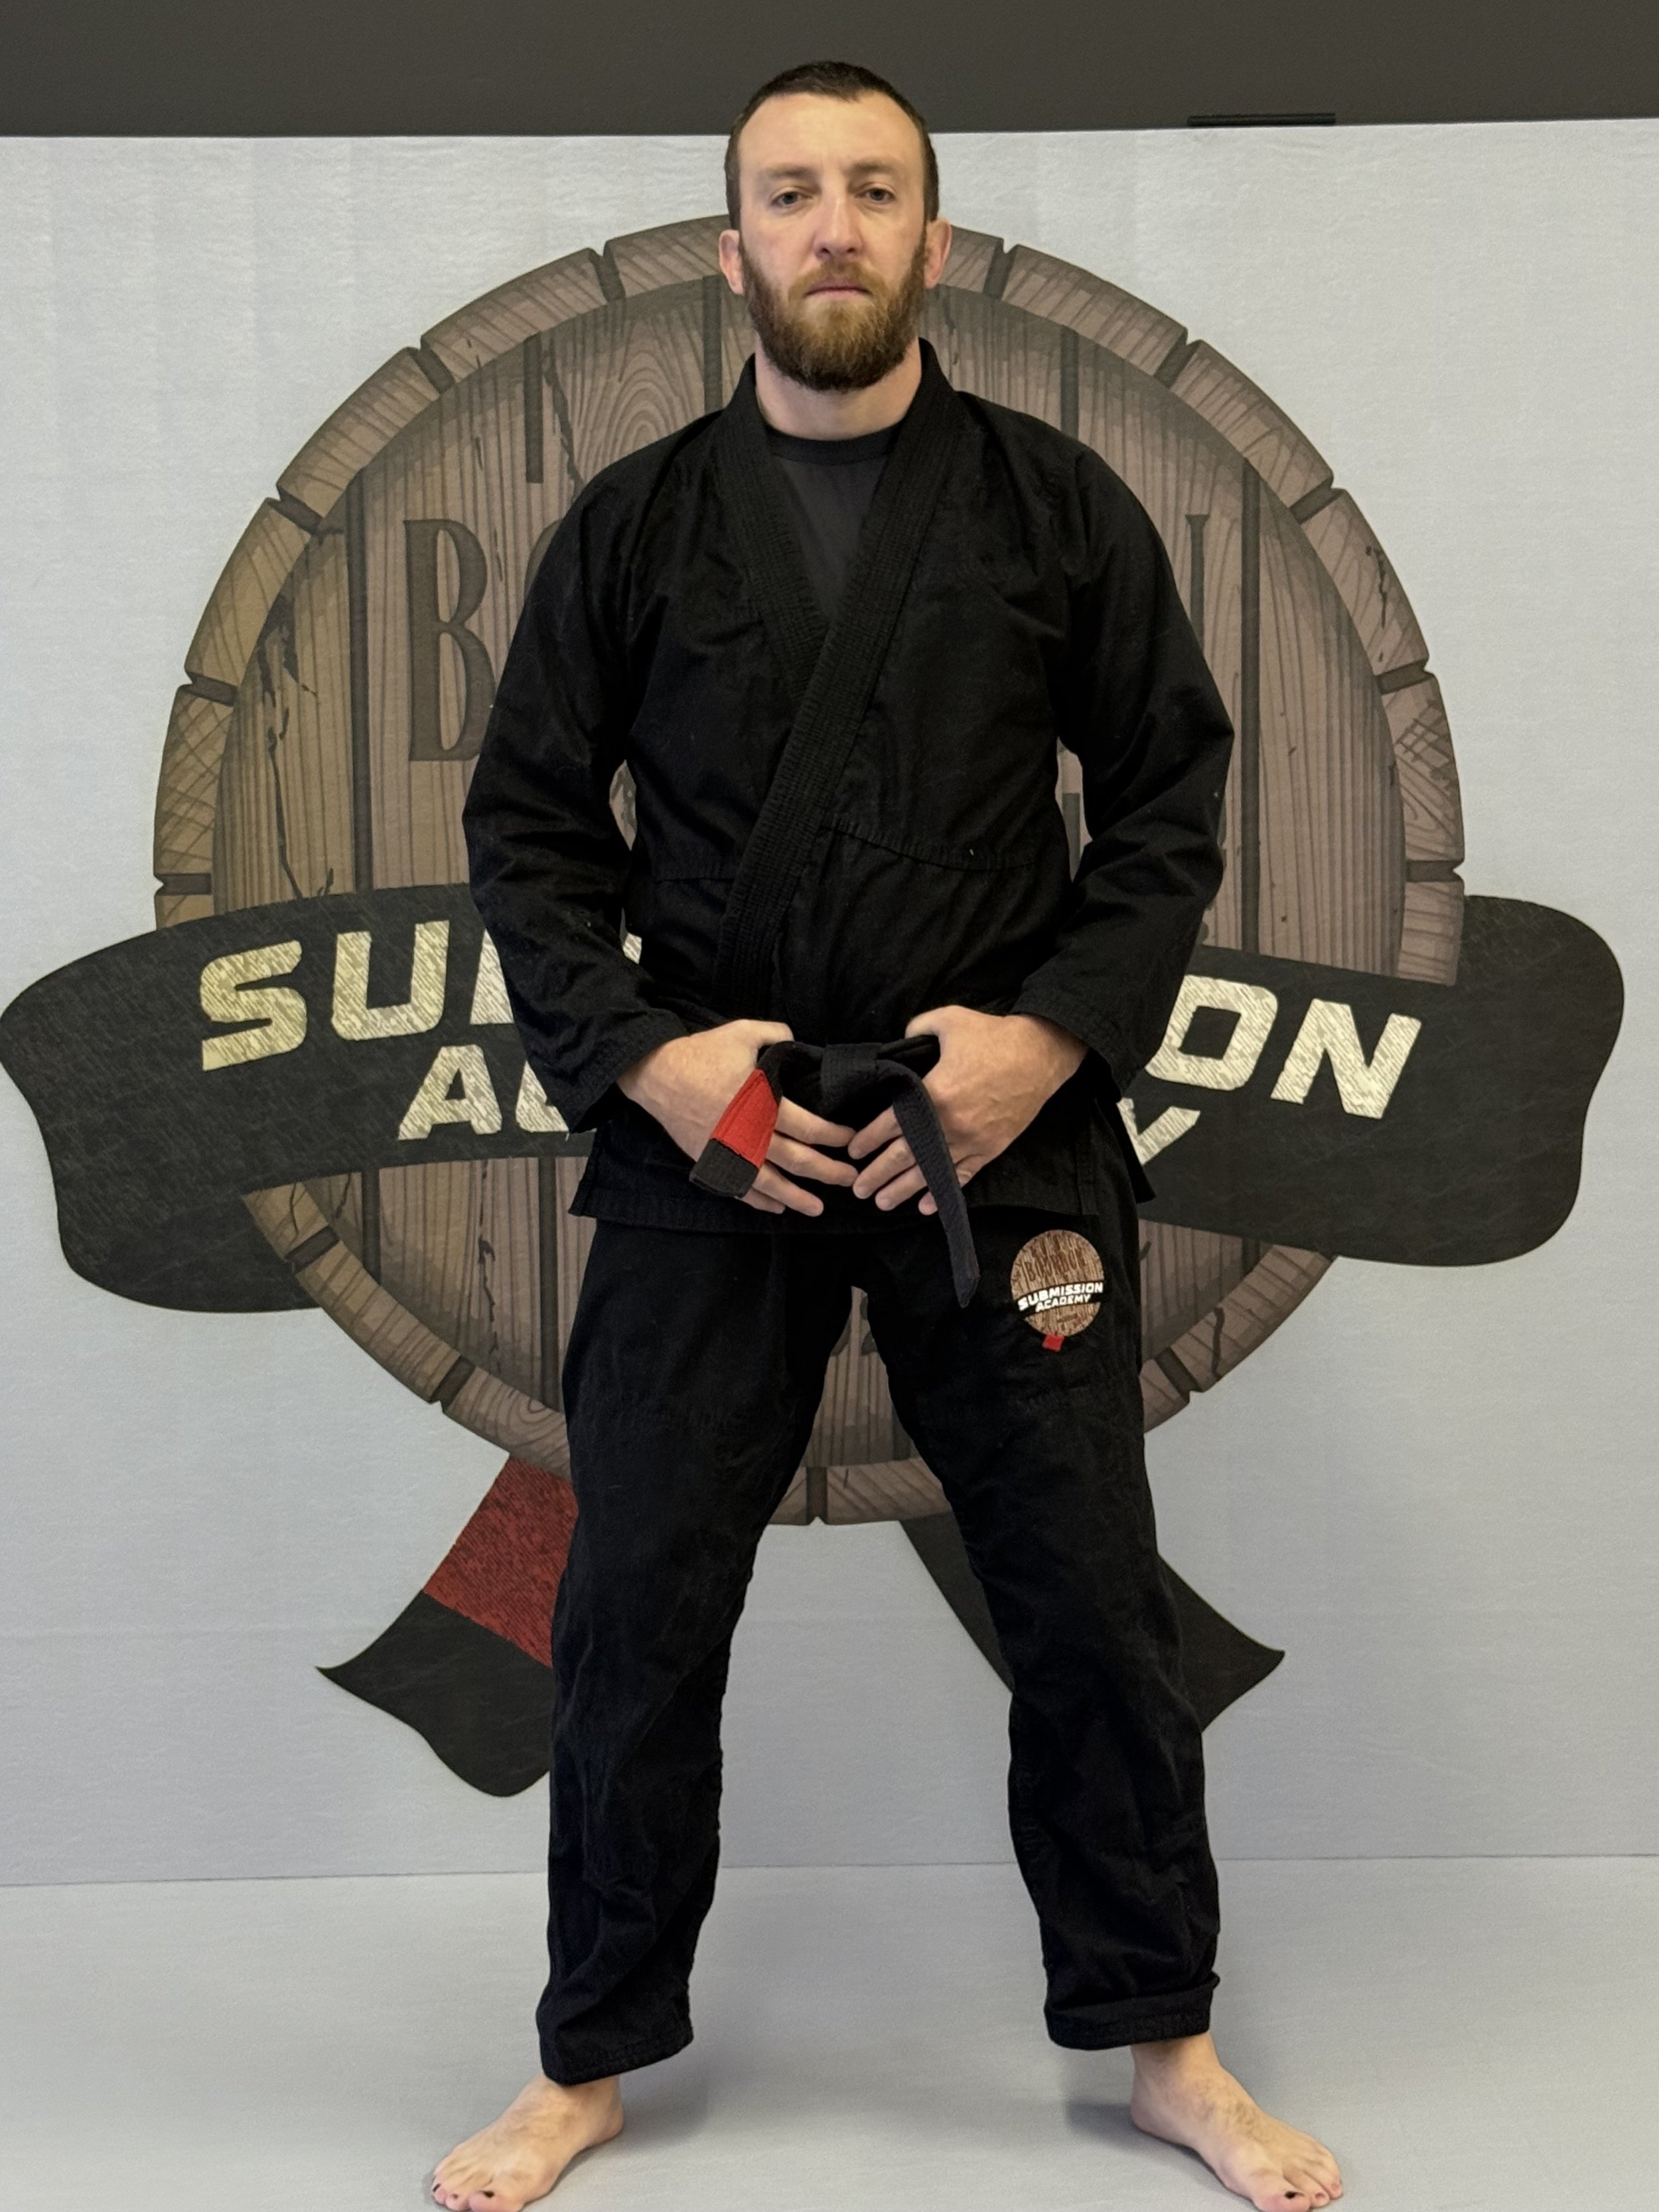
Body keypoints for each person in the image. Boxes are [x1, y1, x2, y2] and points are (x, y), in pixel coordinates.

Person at [434, 59, 1343, 2212]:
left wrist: (1040, 1047)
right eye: (788, 193)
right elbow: (530, 839)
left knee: (1082, 1596)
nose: (831, 226)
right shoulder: (638, 523)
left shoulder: (1052, 505)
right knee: (634, 1599)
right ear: (728, 241)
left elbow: (1165, 817)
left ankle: (1164, 2045)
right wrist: (661, 1069)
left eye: (872, 191)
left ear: (931, 240)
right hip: (711, 1132)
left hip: (994, 1138)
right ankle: (586, 2056)